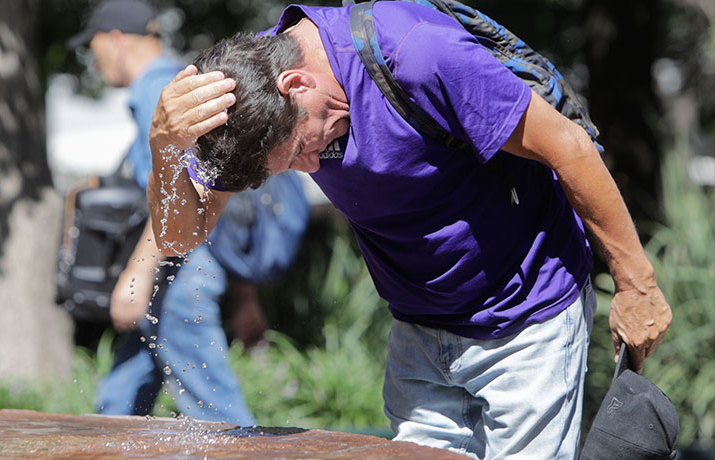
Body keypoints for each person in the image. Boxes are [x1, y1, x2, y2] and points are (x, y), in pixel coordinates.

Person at [145, 2, 673, 459]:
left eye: (301, 149)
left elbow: (568, 147)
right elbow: (177, 238)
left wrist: (637, 284)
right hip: (418, 333)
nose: (310, 166)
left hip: (526, 319)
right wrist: (166, 147)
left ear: (297, 84)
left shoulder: (418, 55)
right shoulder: (246, 95)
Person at [67, 0, 262, 425]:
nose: (92, 59)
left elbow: (179, 195)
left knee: (217, 416)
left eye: (93, 46)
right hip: (178, 268)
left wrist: (136, 275)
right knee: (119, 405)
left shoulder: (159, 91)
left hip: (178, 272)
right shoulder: (178, 81)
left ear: (116, 41)